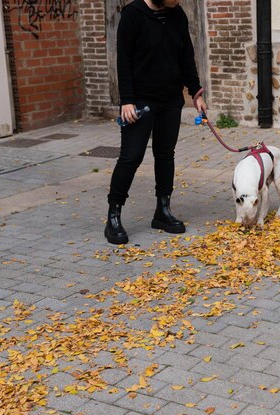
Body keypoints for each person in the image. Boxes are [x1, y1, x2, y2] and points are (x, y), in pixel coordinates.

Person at [105, 0, 206, 245]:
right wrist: (126, 100)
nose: (178, 1)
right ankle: (113, 217)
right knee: (131, 157)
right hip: (140, 102)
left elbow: (186, 56)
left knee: (165, 155)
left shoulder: (177, 14)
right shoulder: (133, 14)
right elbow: (124, 60)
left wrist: (196, 92)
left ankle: (163, 210)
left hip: (170, 100)